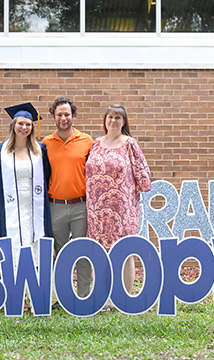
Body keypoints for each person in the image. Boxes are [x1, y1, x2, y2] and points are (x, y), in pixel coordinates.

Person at [85, 104, 151, 310]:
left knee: (124, 251)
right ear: (104, 120)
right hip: (96, 209)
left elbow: (143, 176)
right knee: (100, 251)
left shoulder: (129, 143)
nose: (113, 121)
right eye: (110, 117)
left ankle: (125, 296)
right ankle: (104, 297)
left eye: (118, 118)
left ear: (124, 122)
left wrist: (131, 199)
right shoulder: (96, 144)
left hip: (123, 209)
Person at [0, 102, 52, 280]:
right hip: (8, 209)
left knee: (33, 243)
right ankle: (15, 292)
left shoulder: (40, 151)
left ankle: (34, 291)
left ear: (32, 127)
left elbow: (46, 176)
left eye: (28, 124)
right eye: (20, 123)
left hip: (34, 208)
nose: (24, 127)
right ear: (13, 125)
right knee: (12, 244)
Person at [42, 97, 93, 300]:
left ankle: (83, 296)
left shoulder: (87, 141)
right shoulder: (45, 143)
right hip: (56, 206)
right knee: (60, 254)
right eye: (59, 114)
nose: (63, 118)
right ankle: (63, 297)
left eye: (67, 114)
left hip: (81, 205)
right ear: (53, 116)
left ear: (74, 116)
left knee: (82, 251)